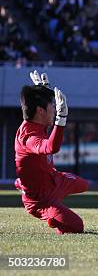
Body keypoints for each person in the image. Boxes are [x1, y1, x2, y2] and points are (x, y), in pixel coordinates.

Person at [14, 70, 88, 234]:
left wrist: (42, 89)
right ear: (40, 111)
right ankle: (51, 216)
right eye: (52, 106)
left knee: (84, 185)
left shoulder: (36, 121)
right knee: (76, 227)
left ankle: (22, 183)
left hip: (53, 179)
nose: (55, 108)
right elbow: (51, 148)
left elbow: (41, 115)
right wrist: (61, 118)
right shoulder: (28, 137)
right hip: (40, 199)